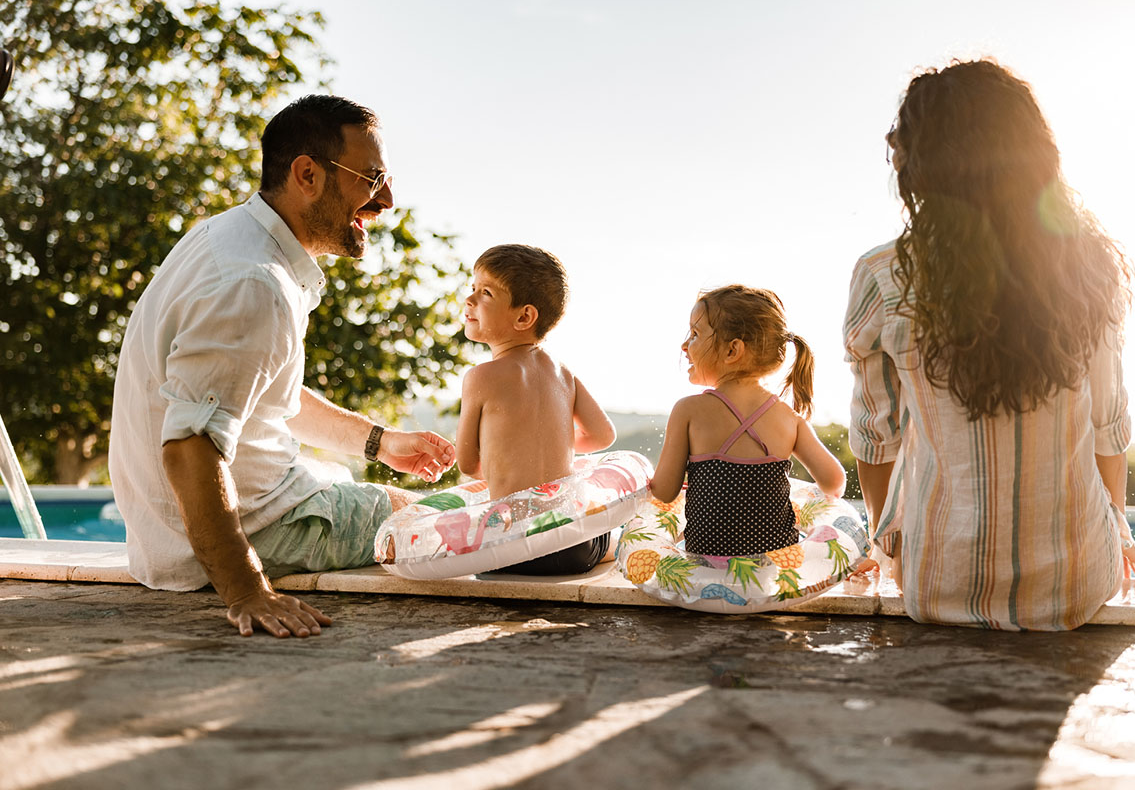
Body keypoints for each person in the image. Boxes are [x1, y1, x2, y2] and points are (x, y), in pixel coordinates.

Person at [110, 95, 455, 638]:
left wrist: (380, 442)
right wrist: (248, 588)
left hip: (209, 524)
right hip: (249, 533)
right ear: (307, 175)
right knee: (441, 523)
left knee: (402, 500)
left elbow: (267, 396)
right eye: (373, 178)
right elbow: (190, 448)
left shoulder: (227, 239)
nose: (386, 199)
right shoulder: (254, 283)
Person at [844, 60, 1135, 631]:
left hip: (937, 583)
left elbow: (875, 438)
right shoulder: (1087, 268)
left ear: (925, 164)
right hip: (1077, 585)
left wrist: (883, 541)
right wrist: (1120, 529)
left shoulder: (883, 274)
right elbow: (1109, 427)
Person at [455, 244, 617, 574]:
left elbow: (469, 464)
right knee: (611, 534)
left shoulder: (480, 378)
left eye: (485, 293)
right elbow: (603, 435)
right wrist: (557, 448)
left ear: (524, 316)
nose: (469, 300)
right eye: (472, 289)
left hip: (508, 549)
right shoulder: (563, 373)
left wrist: (512, 460)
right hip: (575, 547)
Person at [649, 285, 845, 555]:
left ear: (733, 351)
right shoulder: (790, 419)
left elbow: (664, 491)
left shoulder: (688, 410)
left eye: (695, 334)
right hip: (772, 571)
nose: (684, 345)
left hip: (705, 567)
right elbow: (834, 482)